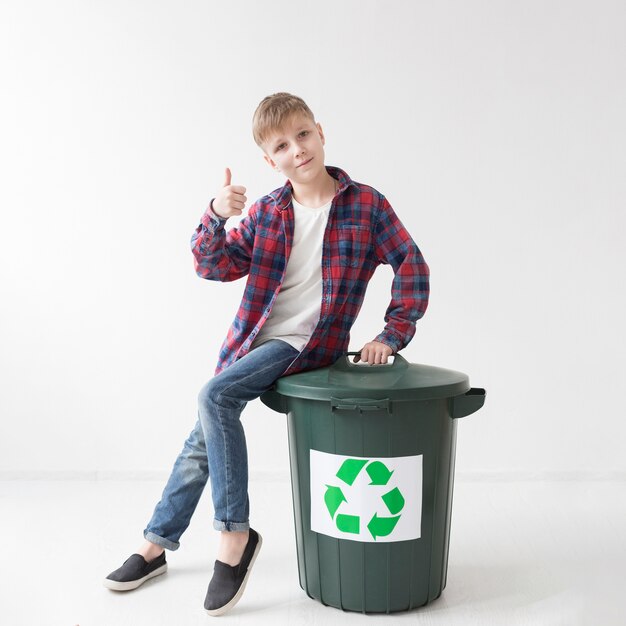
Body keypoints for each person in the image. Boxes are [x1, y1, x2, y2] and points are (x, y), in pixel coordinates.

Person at [103, 92, 430, 615]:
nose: (296, 150)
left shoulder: (366, 205)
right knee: (201, 436)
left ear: (320, 133)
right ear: (269, 159)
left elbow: (410, 264)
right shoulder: (267, 211)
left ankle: (235, 539)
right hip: (249, 341)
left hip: (305, 344)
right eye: (281, 145)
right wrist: (214, 214)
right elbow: (214, 267)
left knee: (212, 398)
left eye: (303, 135)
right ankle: (157, 543)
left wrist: (390, 334)